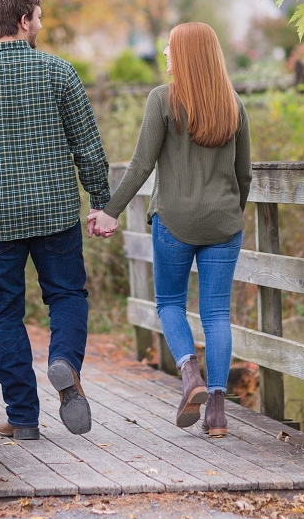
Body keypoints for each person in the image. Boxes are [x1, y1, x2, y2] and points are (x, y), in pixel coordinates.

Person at [0, 0, 117, 441]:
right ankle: (64, 363)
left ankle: (22, 417)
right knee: (67, 296)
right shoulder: (60, 73)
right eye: (38, 16)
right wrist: (100, 201)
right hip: (55, 211)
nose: (40, 23)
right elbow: (90, 150)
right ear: (23, 22)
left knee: (3, 312)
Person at [90, 22, 251, 438]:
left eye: (170, 46)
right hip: (223, 224)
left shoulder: (162, 100)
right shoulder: (233, 104)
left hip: (174, 222)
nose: (164, 52)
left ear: (186, 55)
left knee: (169, 303)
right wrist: (230, 215)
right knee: (217, 314)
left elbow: (141, 164)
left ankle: (189, 374)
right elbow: (244, 175)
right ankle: (216, 411)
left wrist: (110, 211)